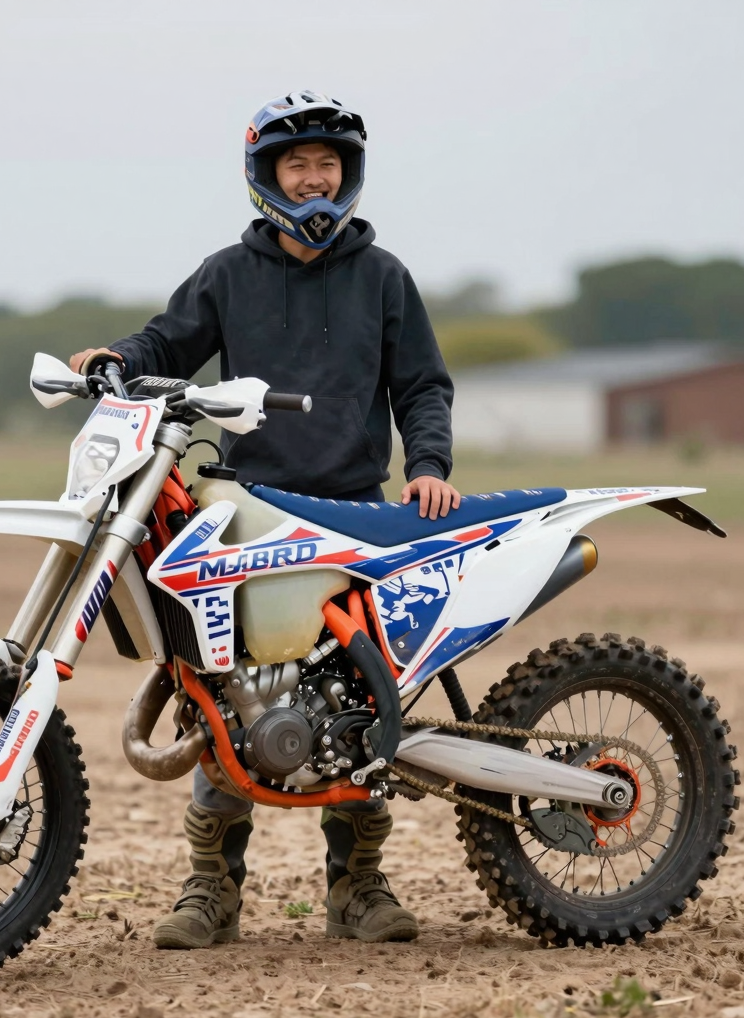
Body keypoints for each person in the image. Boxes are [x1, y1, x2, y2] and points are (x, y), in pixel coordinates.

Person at [71, 90, 460, 950]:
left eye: (328, 165)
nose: (315, 180)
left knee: (361, 701)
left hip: (356, 516)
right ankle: (210, 888)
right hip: (246, 511)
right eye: (298, 165)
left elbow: (423, 386)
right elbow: (165, 344)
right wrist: (118, 361)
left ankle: (358, 888)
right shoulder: (227, 274)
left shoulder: (384, 276)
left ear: (347, 175)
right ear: (267, 177)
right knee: (224, 693)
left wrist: (427, 467)